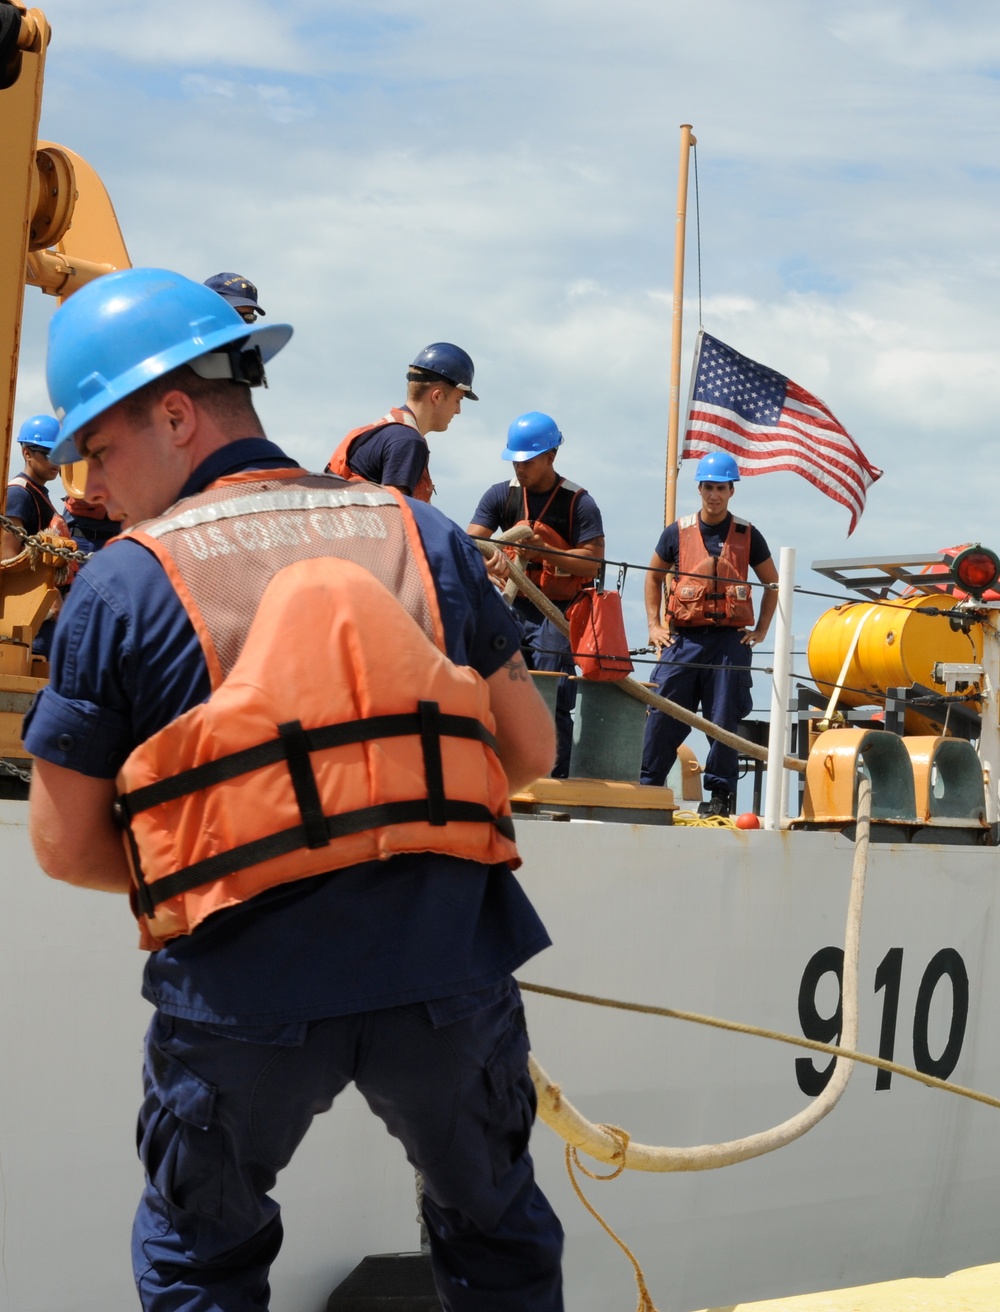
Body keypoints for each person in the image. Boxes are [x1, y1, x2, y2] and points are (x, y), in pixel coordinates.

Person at [25, 268, 563, 1312]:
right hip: (449, 977)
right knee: (494, 1234)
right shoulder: (424, 534)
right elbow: (529, 748)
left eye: (99, 448)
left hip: (241, 992)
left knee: (204, 1258)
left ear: (176, 415)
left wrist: (231, 853)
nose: (88, 485)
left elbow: (64, 842)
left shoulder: (124, 579)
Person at [640, 452, 779, 816]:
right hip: (683, 640)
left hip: (728, 644)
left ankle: (719, 796)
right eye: (708, 487)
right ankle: (648, 786)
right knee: (663, 710)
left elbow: (773, 583)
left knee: (723, 719)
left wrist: (761, 630)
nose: (713, 495)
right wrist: (654, 626)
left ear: (731, 491)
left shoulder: (749, 535)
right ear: (699, 489)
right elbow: (653, 576)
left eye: (720, 488)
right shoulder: (677, 532)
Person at [467, 412, 605, 778]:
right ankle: (497, 776)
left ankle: (551, 780)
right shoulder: (501, 495)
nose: (520, 467)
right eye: (515, 459)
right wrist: (487, 566)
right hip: (509, 608)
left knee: (551, 697)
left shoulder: (579, 503)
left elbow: (592, 563)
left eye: (527, 460)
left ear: (551, 456)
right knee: (497, 691)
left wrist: (543, 552)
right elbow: (472, 543)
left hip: (555, 614)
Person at [326, 342, 477, 501]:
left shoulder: (386, 431)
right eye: (458, 400)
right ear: (437, 396)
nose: (458, 410)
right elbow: (395, 516)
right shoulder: (408, 442)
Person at [2, 413, 65, 559]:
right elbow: (7, 559)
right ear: (27, 453)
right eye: (49, 454)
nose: (56, 462)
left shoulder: (36, 491)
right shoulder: (18, 494)